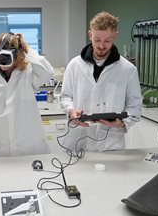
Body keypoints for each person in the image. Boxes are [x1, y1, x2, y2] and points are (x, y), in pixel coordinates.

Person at [60, 11, 142, 152]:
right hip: (78, 141)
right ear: (90, 34)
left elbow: (135, 105)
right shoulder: (74, 65)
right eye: (97, 40)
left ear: (115, 35)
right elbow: (65, 97)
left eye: (107, 40)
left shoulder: (128, 69)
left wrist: (122, 123)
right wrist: (71, 110)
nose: (102, 46)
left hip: (110, 144)